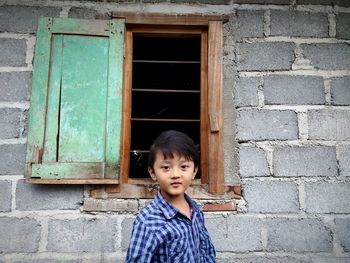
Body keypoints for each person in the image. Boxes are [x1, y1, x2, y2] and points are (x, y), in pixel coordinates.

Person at [125, 130, 216, 262]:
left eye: (184, 166)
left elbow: (207, 253)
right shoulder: (148, 222)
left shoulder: (195, 210)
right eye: (166, 168)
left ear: (194, 171)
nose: (175, 174)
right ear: (153, 172)